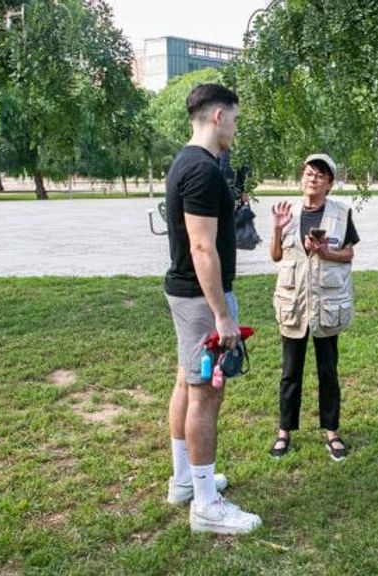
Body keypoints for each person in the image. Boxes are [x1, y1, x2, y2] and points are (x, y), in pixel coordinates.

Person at [163, 83, 261, 534]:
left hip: (187, 293)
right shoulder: (201, 169)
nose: (237, 129)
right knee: (205, 392)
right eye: (236, 119)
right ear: (218, 116)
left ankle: (186, 480)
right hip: (202, 297)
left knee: (187, 379)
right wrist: (223, 314)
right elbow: (203, 248)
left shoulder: (189, 162)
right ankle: (205, 504)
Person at [268, 153, 360, 462]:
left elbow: (348, 255)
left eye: (320, 175)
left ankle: (332, 432)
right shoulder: (288, 212)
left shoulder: (341, 214)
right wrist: (278, 229)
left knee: (327, 371)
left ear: (330, 184)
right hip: (294, 303)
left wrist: (325, 252)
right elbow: (276, 256)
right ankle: (284, 432)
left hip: (325, 305)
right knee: (290, 372)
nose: (312, 178)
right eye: (308, 173)